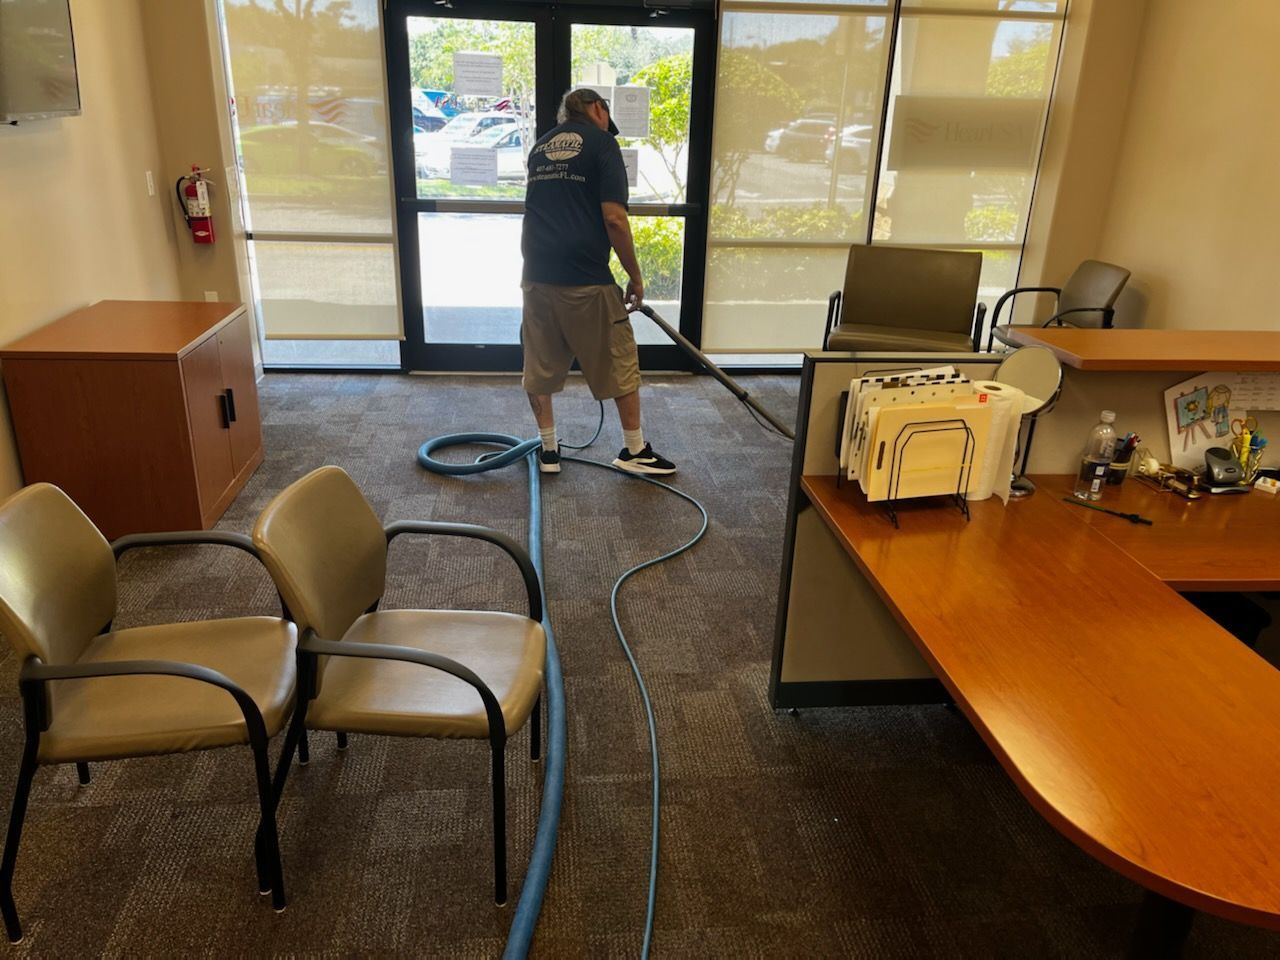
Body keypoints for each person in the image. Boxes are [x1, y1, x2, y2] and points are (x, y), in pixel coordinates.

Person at [519, 87, 676, 476]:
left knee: (539, 362)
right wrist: (636, 277)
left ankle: (549, 450)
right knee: (619, 359)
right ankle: (634, 450)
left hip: (536, 273)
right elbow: (615, 219)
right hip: (586, 276)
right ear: (598, 109)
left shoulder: (540, 147)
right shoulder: (603, 144)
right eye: (606, 113)